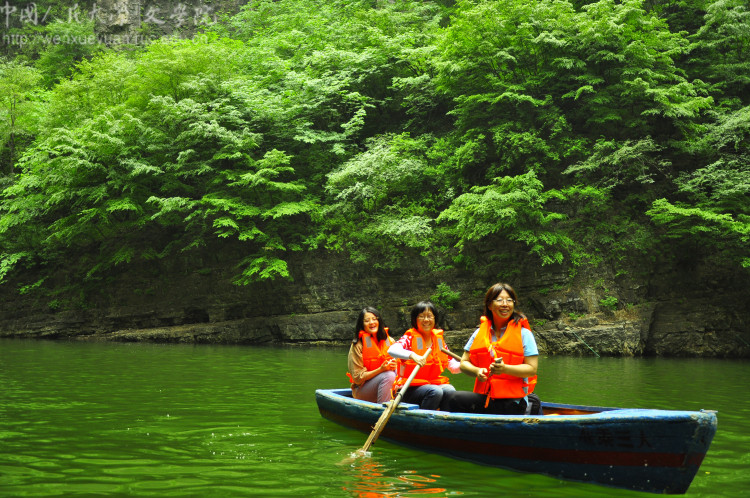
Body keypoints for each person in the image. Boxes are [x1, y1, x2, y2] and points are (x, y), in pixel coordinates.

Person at [447, 283, 540, 415]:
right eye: (500, 300)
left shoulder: (524, 334)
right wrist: (477, 371)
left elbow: (532, 369)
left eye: (509, 300)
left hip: (513, 401)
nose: (505, 304)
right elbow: (464, 363)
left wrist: (504, 369)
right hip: (485, 398)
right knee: (453, 398)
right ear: (490, 305)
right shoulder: (479, 332)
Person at [387, 301, 461, 410]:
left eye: (429, 316)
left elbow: (453, 367)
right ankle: (423, 417)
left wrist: (466, 364)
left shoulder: (439, 341)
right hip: (407, 389)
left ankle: (442, 417)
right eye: (421, 316)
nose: (426, 320)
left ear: (435, 319)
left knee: (450, 391)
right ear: (415, 320)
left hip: (431, 386)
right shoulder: (409, 338)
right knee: (435, 391)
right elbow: (391, 350)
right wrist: (412, 355)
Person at [346, 307, 397, 404]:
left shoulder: (390, 340)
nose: (371, 322)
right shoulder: (358, 345)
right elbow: (357, 378)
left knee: (398, 371)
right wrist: (381, 369)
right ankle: (383, 408)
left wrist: (396, 365)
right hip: (362, 390)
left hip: (388, 385)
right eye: (367, 321)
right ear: (362, 324)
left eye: (374, 319)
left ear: (379, 321)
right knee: (389, 375)